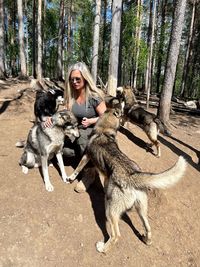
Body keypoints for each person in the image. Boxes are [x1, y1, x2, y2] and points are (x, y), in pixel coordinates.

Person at [62, 62, 106, 192]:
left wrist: (92, 121)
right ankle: (90, 159)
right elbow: (65, 114)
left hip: (94, 131)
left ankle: (90, 173)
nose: (74, 82)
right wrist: (51, 118)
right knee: (63, 151)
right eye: (72, 79)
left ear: (85, 79)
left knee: (82, 138)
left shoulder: (94, 96)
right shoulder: (71, 95)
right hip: (76, 131)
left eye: (78, 79)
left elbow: (107, 118)